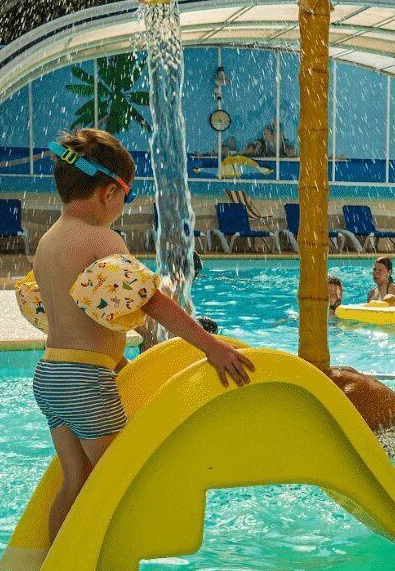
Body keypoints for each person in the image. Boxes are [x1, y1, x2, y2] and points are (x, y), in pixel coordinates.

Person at [16, 128, 252, 542]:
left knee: (75, 479)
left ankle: (51, 567)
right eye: (124, 197)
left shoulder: (50, 241)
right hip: (85, 382)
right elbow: (151, 301)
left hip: (51, 376)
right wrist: (211, 347)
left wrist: (125, 361)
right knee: (118, 479)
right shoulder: (101, 238)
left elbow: (79, 319)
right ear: (108, 193)